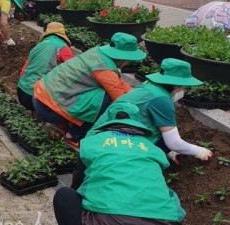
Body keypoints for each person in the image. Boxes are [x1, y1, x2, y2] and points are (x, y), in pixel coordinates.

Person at [54, 102, 186, 225]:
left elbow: (79, 178)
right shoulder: (153, 149)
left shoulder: (92, 142)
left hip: (108, 220)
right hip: (164, 220)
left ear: (110, 120)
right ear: (136, 122)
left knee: (63, 196)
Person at [32, 32, 146, 149]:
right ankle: (73, 136)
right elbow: (120, 101)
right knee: (105, 99)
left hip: (40, 97)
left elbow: (117, 82)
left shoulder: (97, 53)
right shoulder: (105, 70)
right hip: (49, 110)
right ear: (124, 58)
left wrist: (138, 92)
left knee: (100, 93)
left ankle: (62, 123)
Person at [90, 58, 214, 165]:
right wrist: (199, 151)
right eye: (184, 86)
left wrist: (169, 149)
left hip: (96, 139)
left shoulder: (149, 86)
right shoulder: (162, 101)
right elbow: (174, 142)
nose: (184, 89)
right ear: (177, 86)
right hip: (109, 152)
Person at [17, 22, 74, 111]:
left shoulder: (37, 46)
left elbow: (23, 72)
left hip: (21, 92)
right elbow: (75, 73)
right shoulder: (63, 48)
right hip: (36, 98)